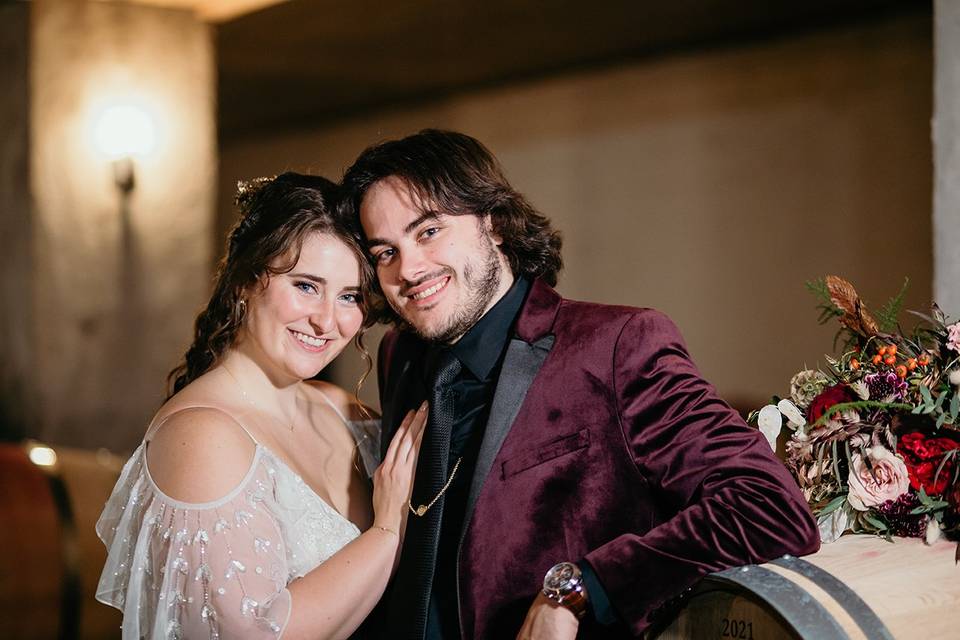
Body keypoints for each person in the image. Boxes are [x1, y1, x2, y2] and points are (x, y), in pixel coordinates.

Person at [341, 130, 821, 640]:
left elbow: (769, 506)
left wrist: (578, 589)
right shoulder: (402, 356)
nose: (408, 269)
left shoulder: (616, 346)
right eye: (385, 252)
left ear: (496, 224)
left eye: (429, 231)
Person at [96, 173, 428, 639]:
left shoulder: (345, 413)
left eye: (349, 296)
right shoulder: (202, 438)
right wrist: (387, 530)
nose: (326, 320)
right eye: (306, 286)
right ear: (246, 281)